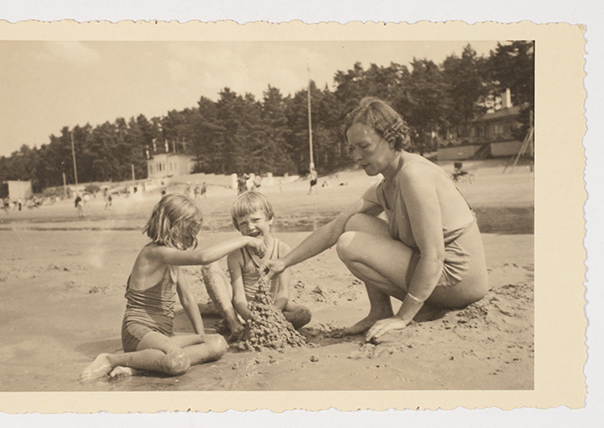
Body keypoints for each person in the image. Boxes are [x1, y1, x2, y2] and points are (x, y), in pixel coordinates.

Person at [264, 97, 488, 344]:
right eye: (352, 148)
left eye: (364, 146)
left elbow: (434, 256)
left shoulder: (414, 175)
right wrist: (284, 262)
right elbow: (336, 226)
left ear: (391, 139)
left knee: (350, 243)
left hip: (460, 281)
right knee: (354, 223)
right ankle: (379, 311)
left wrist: (403, 318)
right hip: (441, 275)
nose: (356, 156)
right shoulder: (386, 184)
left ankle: (411, 310)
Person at [80, 194, 266, 383]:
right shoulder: (153, 253)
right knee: (178, 362)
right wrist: (245, 240)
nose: (191, 238)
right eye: (189, 232)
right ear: (174, 226)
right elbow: (203, 257)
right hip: (138, 332)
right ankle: (112, 359)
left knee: (218, 343)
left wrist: (200, 335)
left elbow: (187, 300)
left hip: (163, 336)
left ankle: (137, 366)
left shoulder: (171, 260)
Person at [227, 191, 312, 330]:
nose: (250, 227)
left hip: (275, 305)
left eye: (256, 220)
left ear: (270, 218)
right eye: (243, 223)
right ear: (237, 227)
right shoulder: (236, 255)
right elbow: (238, 298)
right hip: (247, 308)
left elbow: (283, 292)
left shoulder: (282, 249)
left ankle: (274, 323)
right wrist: (251, 316)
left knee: (303, 314)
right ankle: (268, 325)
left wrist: (272, 314)